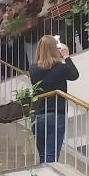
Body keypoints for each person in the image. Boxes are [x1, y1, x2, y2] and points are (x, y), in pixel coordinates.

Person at [28, 35, 79, 164]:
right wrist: (66, 56)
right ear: (54, 49)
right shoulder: (60, 67)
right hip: (56, 114)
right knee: (51, 156)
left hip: (38, 115)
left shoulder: (33, 69)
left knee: (43, 156)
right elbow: (74, 75)